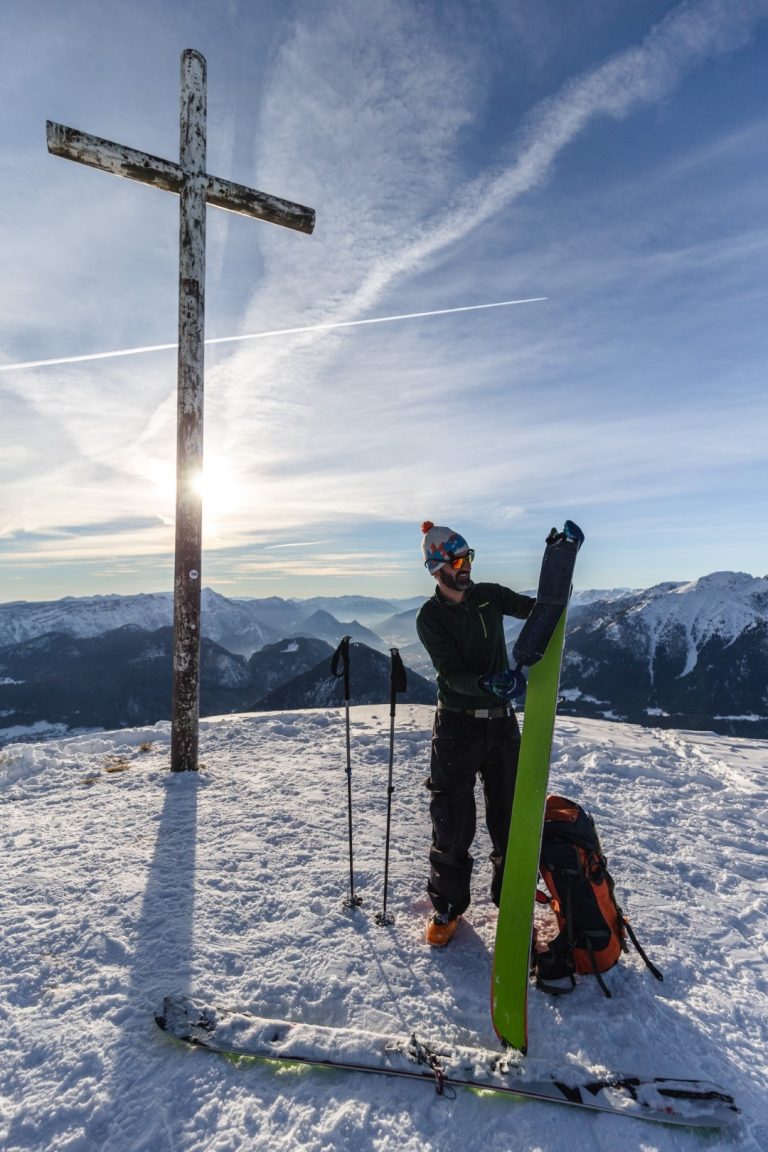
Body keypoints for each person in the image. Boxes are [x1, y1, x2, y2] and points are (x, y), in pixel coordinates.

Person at [416, 521, 535, 947]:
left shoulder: (489, 596)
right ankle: (447, 907)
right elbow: (451, 675)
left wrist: (559, 580)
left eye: (469, 558)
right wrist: (486, 683)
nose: (467, 567)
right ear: (438, 569)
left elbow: (534, 611)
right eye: (458, 561)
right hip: (457, 725)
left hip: (501, 724)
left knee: (510, 814)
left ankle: (513, 899)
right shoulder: (429, 618)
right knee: (452, 819)